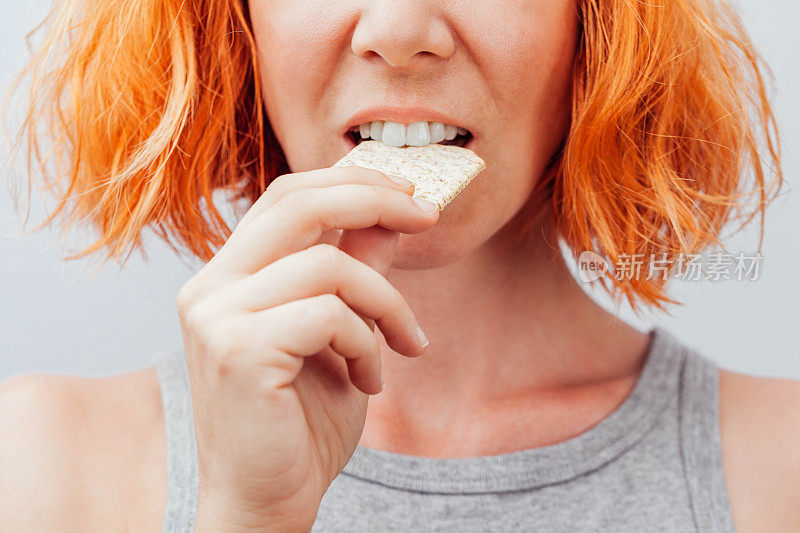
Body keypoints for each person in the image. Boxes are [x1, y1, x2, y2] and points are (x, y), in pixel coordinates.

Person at [0, 0, 794, 531]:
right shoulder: (44, 466)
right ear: (233, 22)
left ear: (597, 21)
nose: (401, 27)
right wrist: (247, 517)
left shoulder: (778, 467)